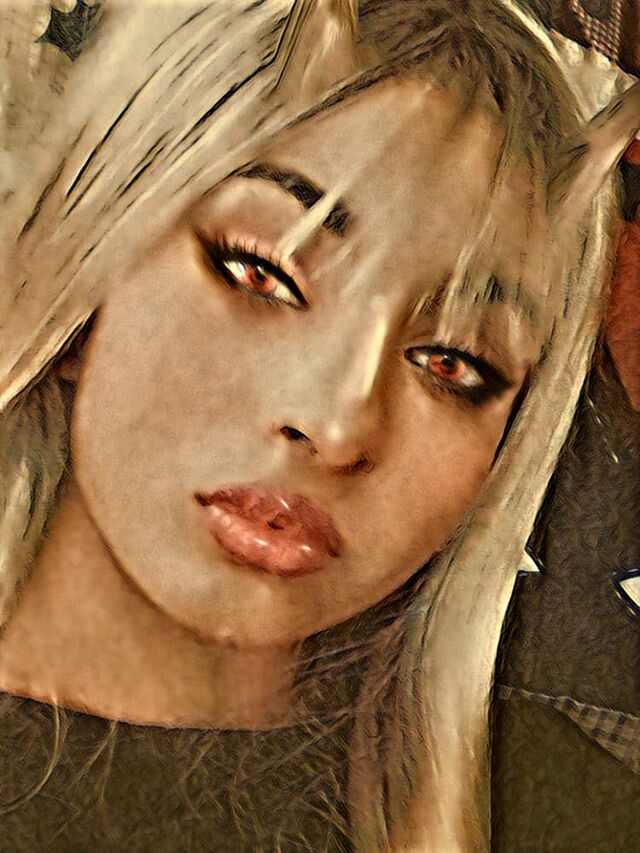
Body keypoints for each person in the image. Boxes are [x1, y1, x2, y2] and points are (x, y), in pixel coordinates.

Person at [0, 1, 637, 850]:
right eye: (262, 273)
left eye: (452, 362)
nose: (336, 426)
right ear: (92, 263)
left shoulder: (580, 811)